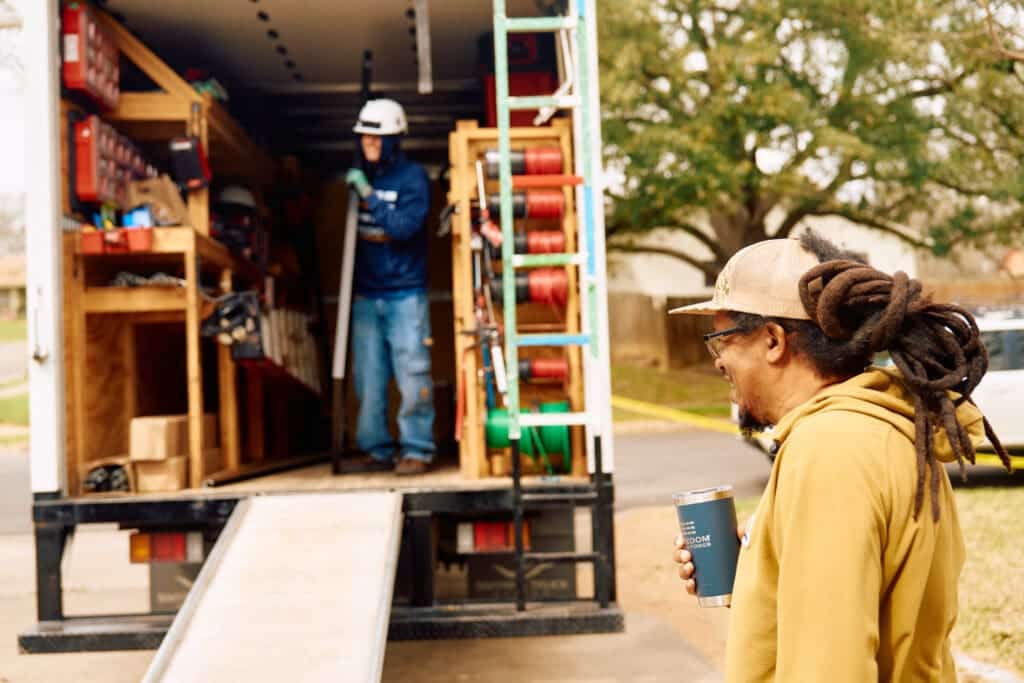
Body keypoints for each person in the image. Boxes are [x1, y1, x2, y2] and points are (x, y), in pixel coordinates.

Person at [670, 232, 1011, 682]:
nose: (718, 360)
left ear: (773, 340)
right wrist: (759, 566)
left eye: (724, 339)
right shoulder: (883, 429)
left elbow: (830, 667)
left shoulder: (830, 451)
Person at [343, 98, 435, 476]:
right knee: (368, 378)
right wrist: (364, 187)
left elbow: (402, 229)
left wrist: (368, 195)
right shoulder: (362, 175)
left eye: (376, 139)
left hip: (405, 293)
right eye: (364, 138)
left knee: (413, 374)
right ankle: (376, 448)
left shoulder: (413, 180)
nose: (369, 144)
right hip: (368, 293)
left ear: (395, 140)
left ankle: (416, 449)